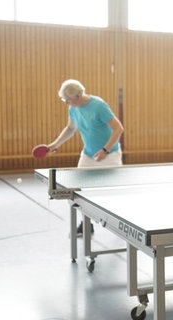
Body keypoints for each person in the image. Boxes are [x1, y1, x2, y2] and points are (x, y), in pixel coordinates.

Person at [48, 79, 124, 234]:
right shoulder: (73, 107)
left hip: (110, 155)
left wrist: (105, 150)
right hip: (88, 155)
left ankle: (122, 226)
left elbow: (118, 128)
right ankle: (86, 223)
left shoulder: (99, 106)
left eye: (67, 99)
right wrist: (55, 145)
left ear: (78, 96)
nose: (65, 103)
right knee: (78, 191)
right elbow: (70, 128)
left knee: (115, 192)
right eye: (64, 99)